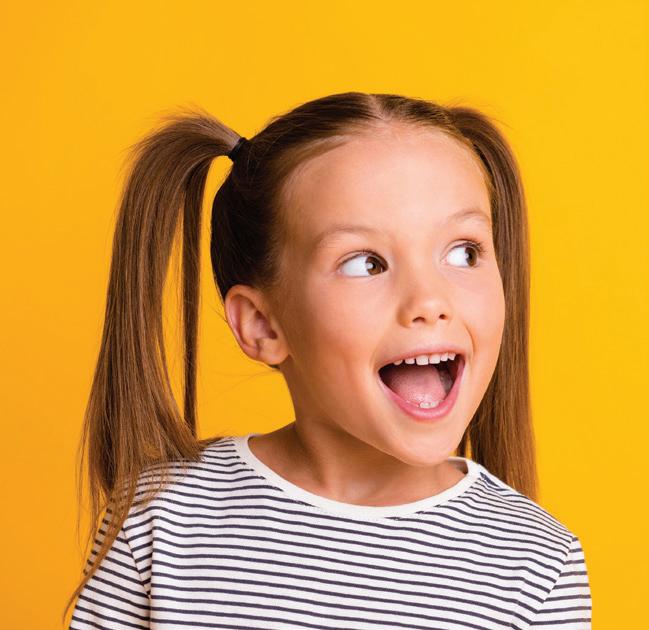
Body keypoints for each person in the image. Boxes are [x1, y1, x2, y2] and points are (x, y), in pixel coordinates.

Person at [65, 92, 592, 629]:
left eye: (464, 252)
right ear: (263, 325)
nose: (430, 301)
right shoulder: (161, 522)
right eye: (366, 264)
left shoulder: (537, 566)